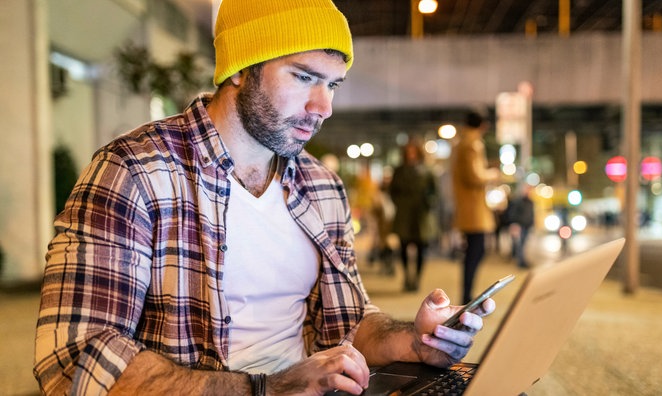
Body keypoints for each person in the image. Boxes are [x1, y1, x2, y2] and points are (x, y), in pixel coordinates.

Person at [33, 1, 495, 395]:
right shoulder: (135, 171)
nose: (323, 107)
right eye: (303, 77)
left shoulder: (320, 186)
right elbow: (74, 360)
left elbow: (345, 320)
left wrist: (414, 341)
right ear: (239, 68)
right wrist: (267, 388)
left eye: (332, 84)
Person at [451, 110, 499, 302]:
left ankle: (467, 294)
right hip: (473, 206)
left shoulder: (463, 142)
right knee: (476, 251)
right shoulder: (472, 144)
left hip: (468, 205)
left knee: (474, 251)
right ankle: (467, 296)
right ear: (483, 125)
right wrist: (493, 173)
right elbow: (475, 176)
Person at [389, 141, 438, 292]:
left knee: (421, 248)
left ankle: (416, 278)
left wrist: (429, 202)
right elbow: (392, 190)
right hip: (404, 214)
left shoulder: (427, 171)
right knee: (403, 247)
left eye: (413, 151)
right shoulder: (399, 171)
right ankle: (406, 277)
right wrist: (399, 203)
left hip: (421, 215)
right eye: (408, 152)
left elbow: (434, 191)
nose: (411, 155)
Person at [504, 184, 535, 268]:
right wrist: (514, 224)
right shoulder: (518, 201)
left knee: (523, 244)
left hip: (527, 226)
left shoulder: (531, 202)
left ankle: (521, 260)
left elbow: (531, 214)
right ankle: (521, 262)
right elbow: (512, 213)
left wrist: (532, 223)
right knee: (520, 244)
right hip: (520, 226)